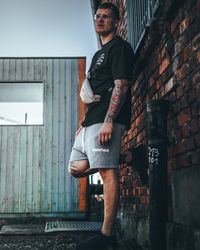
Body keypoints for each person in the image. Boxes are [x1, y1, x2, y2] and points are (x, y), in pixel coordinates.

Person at [68, 2, 134, 249]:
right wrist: (83, 124)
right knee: (75, 168)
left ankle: (107, 237)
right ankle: (128, 156)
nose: (100, 20)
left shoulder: (120, 48)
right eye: (97, 16)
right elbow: (93, 92)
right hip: (90, 123)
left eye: (106, 17)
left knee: (107, 173)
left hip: (106, 121)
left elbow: (121, 85)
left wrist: (109, 120)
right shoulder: (98, 54)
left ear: (116, 22)